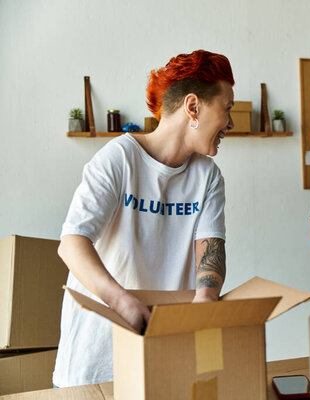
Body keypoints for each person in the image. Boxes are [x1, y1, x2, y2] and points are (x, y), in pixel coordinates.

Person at [53, 49, 234, 387]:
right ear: (193, 107)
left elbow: (210, 249)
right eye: (227, 109)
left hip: (164, 356)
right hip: (96, 359)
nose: (230, 123)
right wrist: (122, 301)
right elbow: (72, 243)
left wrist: (206, 301)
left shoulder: (208, 176)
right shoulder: (118, 159)